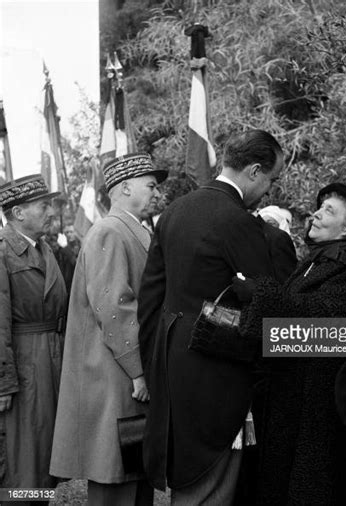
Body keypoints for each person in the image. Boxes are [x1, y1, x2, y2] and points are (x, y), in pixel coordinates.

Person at [137, 129, 284, 505]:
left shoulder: (172, 212)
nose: (269, 190)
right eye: (271, 179)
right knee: (211, 488)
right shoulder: (239, 221)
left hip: (172, 370)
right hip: (218, 376)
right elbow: (268, 302)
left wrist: (156, 367)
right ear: (253, 171)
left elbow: (150, 302)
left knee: (187, 483)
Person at [233, 183, 346, 505]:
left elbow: (323, 324)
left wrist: (260, 293)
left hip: (319, 407)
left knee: (315, 487)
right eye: (320, 206)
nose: (315, 213)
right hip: (295, 401)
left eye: (329, 210)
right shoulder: (323, 261)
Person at [50, 153, 168, 506]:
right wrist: (138, 370)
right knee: (115, 479)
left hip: (121, 375)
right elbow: (114, 307)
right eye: (150, 185)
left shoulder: (127, 229)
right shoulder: (110, 231)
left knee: (131, 473)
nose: (156, 192)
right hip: (116, 376)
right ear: (124, 187)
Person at [0, 175, 67, 498]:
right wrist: (3, 382)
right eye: (43, 205)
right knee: (21, 459)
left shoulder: (43, 249)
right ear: (18, 212)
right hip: (24, 365)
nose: (51, 212)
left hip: (49, 361)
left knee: (44, 457)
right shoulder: (3, 252)